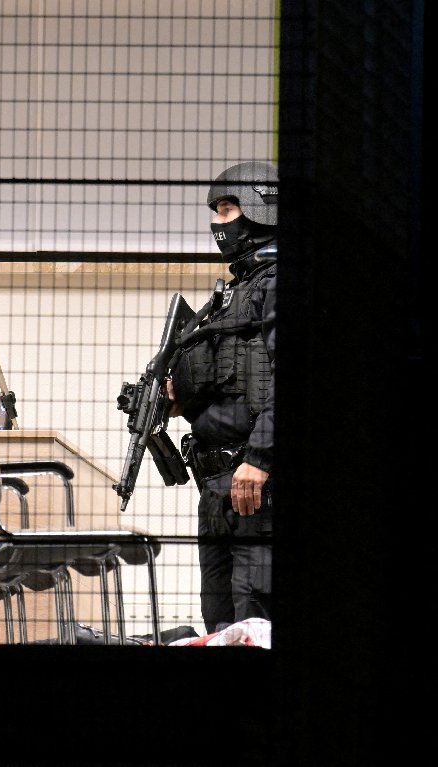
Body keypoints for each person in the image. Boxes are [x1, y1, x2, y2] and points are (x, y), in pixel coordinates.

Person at [166, 161, 277, 634]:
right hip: (215, 489)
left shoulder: (276, 283)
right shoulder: (231, 296)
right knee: (219, 626)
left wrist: (260, 458)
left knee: (254, 624)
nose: (218, 222)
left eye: (227, 209)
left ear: (259, 211)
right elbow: (233, 382)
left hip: (255, 485)